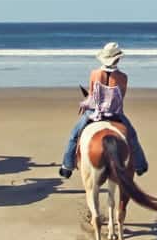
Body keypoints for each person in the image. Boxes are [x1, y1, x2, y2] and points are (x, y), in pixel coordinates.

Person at [59, 42, 149, 179]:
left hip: (95, 113)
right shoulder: (123, 77)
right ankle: (139, 165)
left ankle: (67, 166)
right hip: (115, 114)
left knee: (74, 136)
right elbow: (120, 98)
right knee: (132, 136)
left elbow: (91, 96)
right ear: (117, 59)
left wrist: (85, 104)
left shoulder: (94, 73)